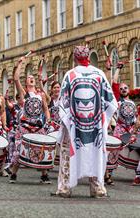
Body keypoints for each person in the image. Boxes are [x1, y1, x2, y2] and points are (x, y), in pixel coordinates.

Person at [53, 46, 117, 198]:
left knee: (67, 154)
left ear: (75, 58)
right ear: (88, 56)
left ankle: (65, 188)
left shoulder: (70, 75)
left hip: (73, 125)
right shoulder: (99, 74)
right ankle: (97, 188)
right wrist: (104, 119)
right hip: (95, 126)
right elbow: (111, 101)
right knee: (95, 153)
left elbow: (63, 103)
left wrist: (66, 122)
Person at [9, 55, 51, 184]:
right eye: (29, 78)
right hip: (24, 127)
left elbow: (45, 109)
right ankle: (14, 174)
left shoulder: (41, 94)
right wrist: (21, 63)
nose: (31, 79)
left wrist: (48, 119)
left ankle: (44, 176)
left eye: (33, 78)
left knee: (42, 148)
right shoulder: (23, 93)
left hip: (38, 126)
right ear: (26, 82)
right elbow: (16, 78)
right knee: (19, 150)